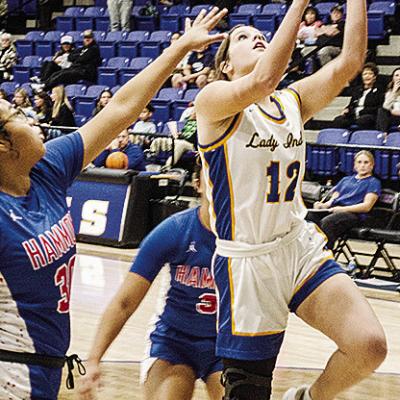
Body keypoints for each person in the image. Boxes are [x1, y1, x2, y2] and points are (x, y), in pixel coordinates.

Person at [0, 7, 227, 399]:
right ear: (3, 145)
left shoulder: (48, 167)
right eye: (18, 115)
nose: (32, 118)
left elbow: (122, 108)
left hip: (45, 368)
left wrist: (180, 48)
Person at [195, 1, 387, 400]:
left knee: (369, 345)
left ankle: (308, 398)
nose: (256, 37)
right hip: (248, 260)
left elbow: (350, 61)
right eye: (243, 37)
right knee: (249, 391)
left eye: (258, 33)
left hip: (297, 246)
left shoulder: (290, 102)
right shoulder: (213, 101)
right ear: (226, 66)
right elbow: (264, 80)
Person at [77, 162, 224, 400]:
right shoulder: (176, 230)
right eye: (213, 176)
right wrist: (94, 359)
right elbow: (124, 302)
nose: (222, 184)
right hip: (174, 342)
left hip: (226, 344)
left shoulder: (251, 239)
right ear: (198, 184)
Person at [306, 151, 381, 249]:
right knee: (308, 216)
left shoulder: (373, 182)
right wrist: (322, 206)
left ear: (372, 165)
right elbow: (333, 200)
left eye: (366, 162)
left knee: (328, 222)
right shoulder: (345, 180)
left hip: (353, 215)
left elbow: (366, 206)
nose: (362, 165)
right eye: (359, 162)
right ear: (354, 165)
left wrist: (343, 209)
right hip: (334, 211)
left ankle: (325, 255)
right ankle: (309, 250)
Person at [333, 62, 384, 130]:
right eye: (365, 74)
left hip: (369, 116)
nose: (367, 76)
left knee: (363, 120)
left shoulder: (379, 90)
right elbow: (351, 104)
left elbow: (379, 108)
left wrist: (360, 111)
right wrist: (347, 109)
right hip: (354, 115)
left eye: (370, 74)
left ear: (374, 77)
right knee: (338, 120)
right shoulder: (358, 90)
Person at [376, 67, 400, 135]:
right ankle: (384, 134)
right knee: (381, 110)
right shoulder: (389, 92)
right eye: (397, 75)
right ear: (393, 78)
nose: (399, 78)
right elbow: (386, 106)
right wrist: (394, 91)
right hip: (393, 117)